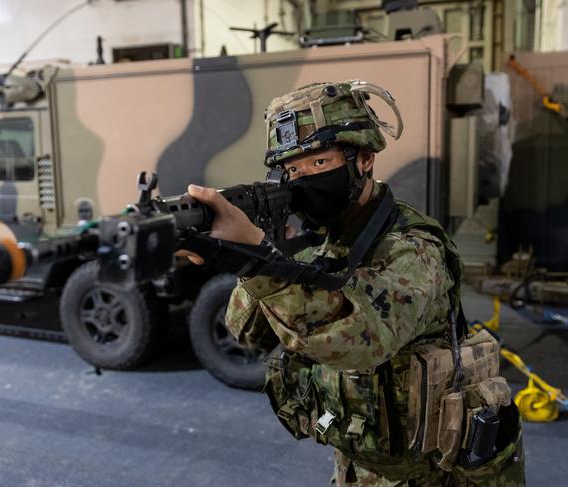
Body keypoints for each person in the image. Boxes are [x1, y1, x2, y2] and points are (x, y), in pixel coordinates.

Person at [181, 81, 525, 486]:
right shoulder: (321, 240)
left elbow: (362, 339)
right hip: (362, 464)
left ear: (364, 159)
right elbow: (247, 332)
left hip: (436, 474)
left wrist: (262, 260)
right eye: (292, 169)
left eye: (319, 164)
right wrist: (253, 253)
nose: (302, 178)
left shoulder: (413, 247)